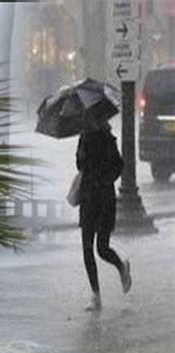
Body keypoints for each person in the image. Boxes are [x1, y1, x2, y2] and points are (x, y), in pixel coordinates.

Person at [76, 117, 132, 311]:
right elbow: (79, 165)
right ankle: (96, 295)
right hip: (87, 197)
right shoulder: (83, 137)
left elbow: (118, 165)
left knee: (101, 248)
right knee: (86, 247)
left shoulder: (107, 138)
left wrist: (104, 180)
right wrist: (82, 155)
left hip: (103, 198)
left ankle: (121, 267)